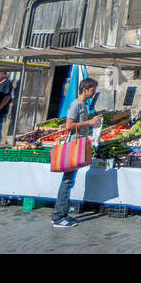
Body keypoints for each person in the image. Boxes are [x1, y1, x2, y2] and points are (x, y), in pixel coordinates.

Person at [52, 77, 101, 228]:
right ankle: (59, 216)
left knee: (69, 181)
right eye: (92, 90)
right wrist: (89, 122)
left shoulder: (82, 105)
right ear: (85, 89)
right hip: (73, 146)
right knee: (67, 182)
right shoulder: (76, 104)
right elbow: (69, 126)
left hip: (79, 144)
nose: (94, 94)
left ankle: (62, 214)